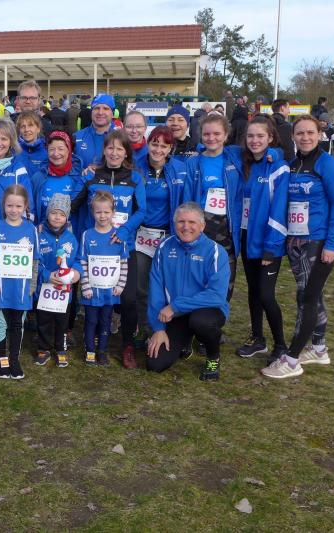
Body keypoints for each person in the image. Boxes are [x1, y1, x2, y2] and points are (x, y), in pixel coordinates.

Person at [262, 115, 334, 379]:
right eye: (300, 133)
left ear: (319, 135)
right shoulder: (293, 164)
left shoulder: (326, 163)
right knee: (313, 296)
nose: (305, 137)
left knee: (306, 299)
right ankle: (319, 349)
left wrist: (331, 244)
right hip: (295, 241)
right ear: (293, 136)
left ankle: (292, 359)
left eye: (310, 132)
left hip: (317, 242)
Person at [70, 130, 146, 366]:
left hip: (123, 248)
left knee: (128, 299)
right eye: (110, 148)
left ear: (126, 153)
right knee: (93, 297)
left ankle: (127, 345)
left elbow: (142, 211)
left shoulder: (135, 178)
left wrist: (123, 232)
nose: (114, 153)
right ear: (104, 150)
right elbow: (72, 204)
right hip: (94, 250)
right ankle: (92, 343)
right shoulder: (92, 175)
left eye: (119, 148)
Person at [146, 202, 230, 380]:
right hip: (176, 315)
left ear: (202, 226)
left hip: (206, 310)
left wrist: (175, 306)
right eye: (181, 222)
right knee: (155, 365)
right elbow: (156, 287)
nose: (186, 227)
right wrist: (159, 328)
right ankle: (184, 342)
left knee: (201, 322)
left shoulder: (216, 252)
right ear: (174, 223)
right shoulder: (164, 247)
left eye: (192, 222)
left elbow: (217, 295)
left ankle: (213, 358)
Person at [234, 116, 290, 363]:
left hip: (268, 241)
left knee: (266, 295)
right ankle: (257, 338)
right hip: (247, 238)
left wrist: (272, 247)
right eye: (250, 136)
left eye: (260, 136)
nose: (254, 140)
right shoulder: (244, 162)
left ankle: (281, 345)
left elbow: (279, 210)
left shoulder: (278, 167)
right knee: (254, 292)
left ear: (270, 138)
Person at [132, 126, 187, 359]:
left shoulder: (179, 169)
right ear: (148, 144)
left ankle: (171, 331)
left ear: (170, 148)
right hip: (142, 234)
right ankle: (144, 328)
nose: (158, 150)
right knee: (141, 286)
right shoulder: (136, 166)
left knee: (167, 285)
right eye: (154, 144)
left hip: (167, 236)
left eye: (164, 146)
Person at [183, 114, 244, 302]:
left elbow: (269, 150)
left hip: (227, 228)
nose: (211, 138)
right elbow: (187, 198)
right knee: (198, 278)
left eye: (217, 134)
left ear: (226, 135)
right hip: (201, 227)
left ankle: (218, 316)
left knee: (224, 280)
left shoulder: (234, 158)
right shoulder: (193, 162)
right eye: (207, 134)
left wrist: (274, 154)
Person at [0, 184, 40, 379]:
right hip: (1, 287)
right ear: (3, 205)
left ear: (25, 207)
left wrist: (32, 285)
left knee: (18, 324)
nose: (14, 210)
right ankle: (2, 359)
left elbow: (35, 260)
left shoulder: (31, 229)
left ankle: (14, 359)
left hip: (21, 288)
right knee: (1, 322)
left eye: (18, 206)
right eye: (10, 205)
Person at [79, 191, 128, 366]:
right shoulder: (87, 235)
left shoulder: (118, 236)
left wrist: (121, 285)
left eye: (106, 212)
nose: (102, 216)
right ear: (93, 212)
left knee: (105, 321)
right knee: (91, 320)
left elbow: (123, 263)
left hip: (110, 291)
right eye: (98, 212)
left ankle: (102, 351)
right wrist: (85, 286)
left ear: (113, 212)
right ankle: (90, 350)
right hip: (92, 291)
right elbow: (82, 262)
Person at [35, 193, 80, 367]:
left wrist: (76, 272)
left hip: (64, 290)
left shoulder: (71, 238)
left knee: (62, 320)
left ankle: (61, 348)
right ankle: (43, 347)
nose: (57, 217)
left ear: (66, 217)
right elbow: (34, 261)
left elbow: (77, 260)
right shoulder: (39, 234)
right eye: (53, 213)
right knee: (44, 319)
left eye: (62, 214)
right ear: (47, 214)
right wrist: (47, 275)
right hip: (45, 287)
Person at [33, 131, 82, 224]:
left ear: (69, 150)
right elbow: (32, 209)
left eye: (60, 149)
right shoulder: (38, 178)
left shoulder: (80, 176)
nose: (56, 153)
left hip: (73, 232)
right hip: (44, 231)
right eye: (51, 149)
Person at [73, 93, 116, 169]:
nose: (100, 112)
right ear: (91, 112)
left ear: (112, 113)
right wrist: (83, 173)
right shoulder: (77, 137)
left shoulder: (121, 138)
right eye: (96, 108)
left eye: (105, 108)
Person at [16, 111, 48, 180]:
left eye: (30, 125)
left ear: (38, 128)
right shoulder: (14, 151)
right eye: (23, 126)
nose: (26, 129)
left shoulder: (47, 150)